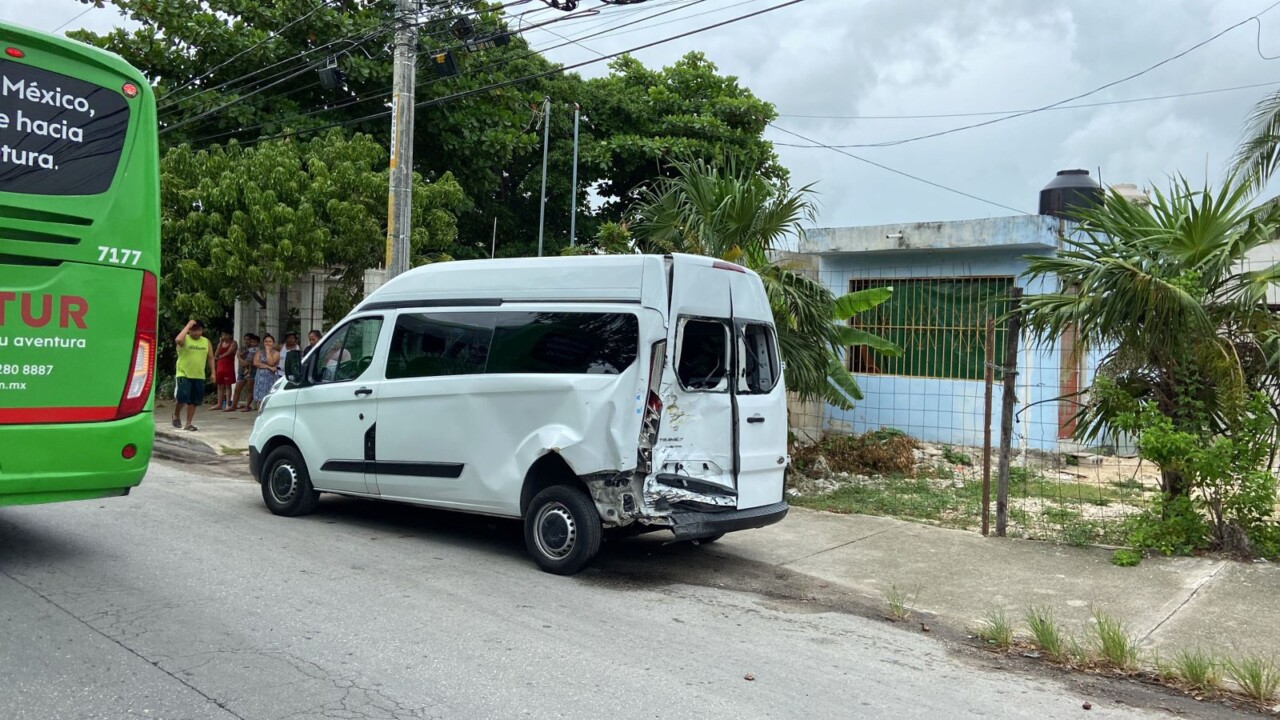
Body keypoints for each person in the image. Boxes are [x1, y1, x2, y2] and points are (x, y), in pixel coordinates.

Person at [172, 320, 214, 431]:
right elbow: (178, 340)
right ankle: (176, 415)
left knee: (194, 401)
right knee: (182, 397)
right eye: (194, 330)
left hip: (198, 375)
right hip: (183, 373)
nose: (197, 333)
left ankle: (188, 424)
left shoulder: (206, 341)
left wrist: (213, 372)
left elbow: (210, 357)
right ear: (189, 330)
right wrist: (188, 326)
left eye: (199, 330)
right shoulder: (184, 339)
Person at [229, 333, 258, 412]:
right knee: (237, 389)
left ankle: (248, 406)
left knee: (249, 389)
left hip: (252, 371)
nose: (246, 341)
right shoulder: (242, 348)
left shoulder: (255, 349)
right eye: (245, 339)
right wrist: (246, 362)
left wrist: (247, 363)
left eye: (248, 340)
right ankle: (233, 405)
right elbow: (239, 357)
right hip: (242, 371)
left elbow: (255, 361)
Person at [252, 334, 280, 410]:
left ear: (273, 343)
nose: (268, 343)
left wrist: (268, 352)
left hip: (271, 378)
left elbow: (271, 362)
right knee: (260, 398)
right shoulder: (259, 352)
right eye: (266, 341)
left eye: (270, 341)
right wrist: (268, 367)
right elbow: (256, 363)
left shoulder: (276, 353)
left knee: (270, 396)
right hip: (260, 378)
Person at [213, 331, 238, 410]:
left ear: (230, 335)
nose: (224, 336)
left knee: (228, 385)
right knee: (220, 385)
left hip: (228, 366)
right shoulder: (221, 343)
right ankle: (219, 404)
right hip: (220, 367)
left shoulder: (233, 343)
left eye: (226, 334)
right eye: (223, 334)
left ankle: (227, 404)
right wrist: (220, 344)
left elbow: (229, 352)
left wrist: (219, 357)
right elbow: (216, 354)